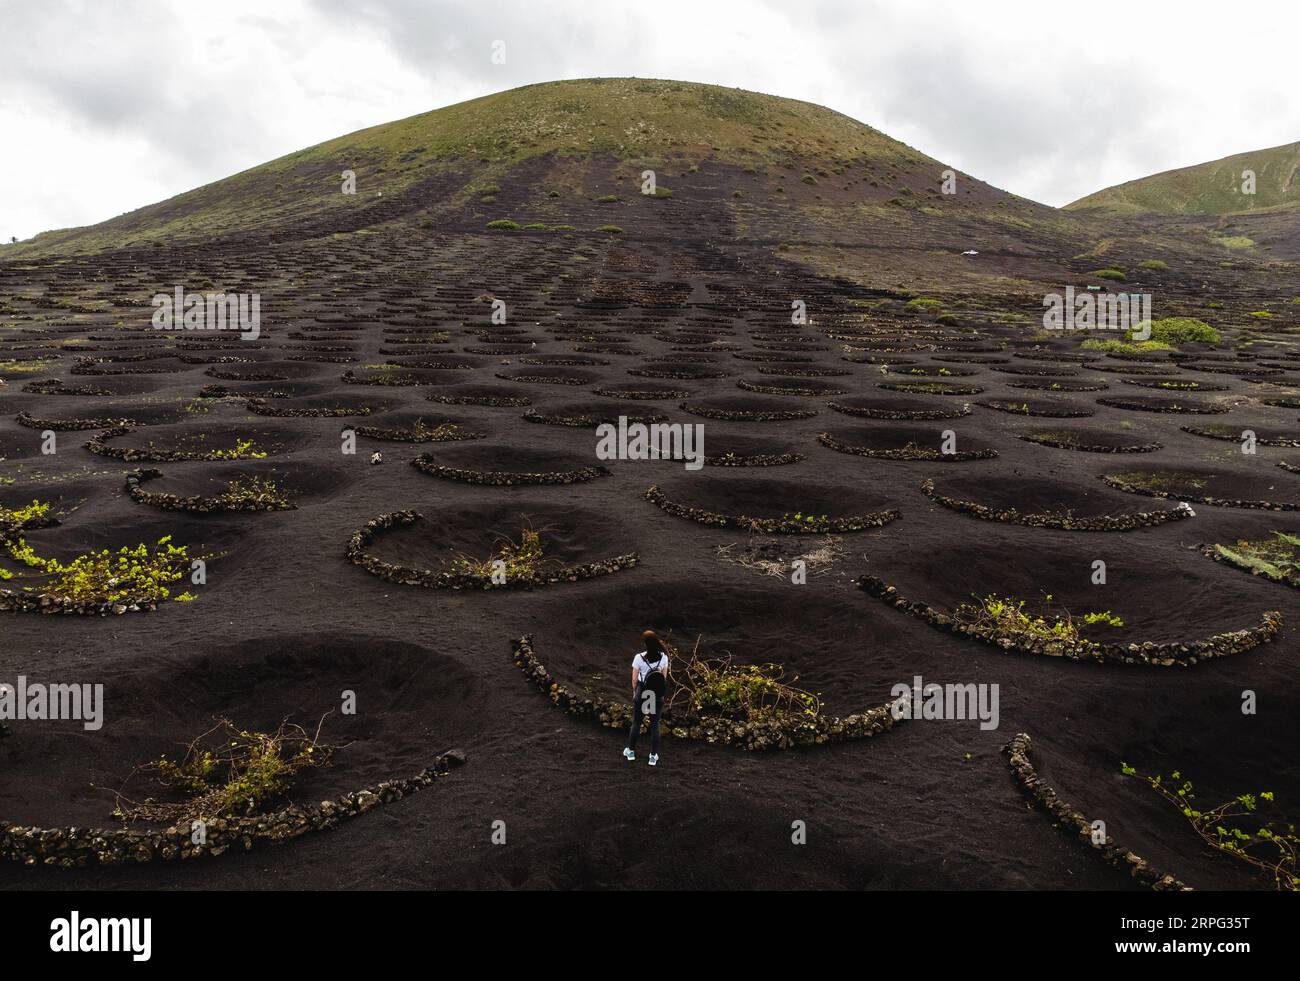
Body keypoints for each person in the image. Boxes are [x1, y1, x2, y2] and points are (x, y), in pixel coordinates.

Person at [623, 630, 669, 766]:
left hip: (644, 692)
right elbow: (663, 678)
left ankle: (630, 752)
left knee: (637, 722)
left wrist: (635, 693)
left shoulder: (639, 658)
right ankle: (653, 756)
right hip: (656, 694)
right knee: (655, 725)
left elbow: (634, 680)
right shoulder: (664, 657)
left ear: (645, 644)